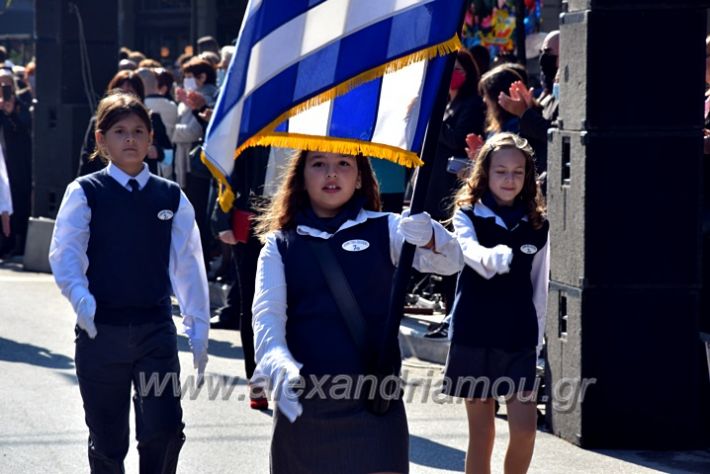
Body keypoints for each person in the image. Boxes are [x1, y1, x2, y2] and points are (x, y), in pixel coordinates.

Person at [252, 150, 463, 473]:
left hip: (375, 399)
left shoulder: (389, 228)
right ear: (301, 177)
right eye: (319, 164)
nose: (331, 174)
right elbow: (267, 314)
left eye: (344, 164)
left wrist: (434, 235)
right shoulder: (279, 244)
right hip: (305, 400)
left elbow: (452, 262)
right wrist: (276, 359)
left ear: (360, 176)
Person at [49, 91, 210, 473]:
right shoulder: (85, 192)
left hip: (155, 331)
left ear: (152, 138)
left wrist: (198, 327)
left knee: (165, 430)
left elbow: (188, 264)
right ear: (102, 140)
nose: (131, 139)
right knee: (108, 440)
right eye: (120, 131)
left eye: (140, 131)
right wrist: (82, 301)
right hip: (100, 332)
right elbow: (65, 254)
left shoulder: (170, 195)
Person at [442, 132, 549, 474]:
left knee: (525, 430)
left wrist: (539, 340)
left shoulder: (539, 225)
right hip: (474, 332)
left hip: (518, 336)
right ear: (485, 172)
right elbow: (469, 251)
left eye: (518, 172)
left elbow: (540, 287)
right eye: (501, 171)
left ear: (528, 176)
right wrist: (492, 257)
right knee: (482, 432)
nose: (509, 179)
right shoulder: (467, 214)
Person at [0, 69, 32, 257]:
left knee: (18, 202)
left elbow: (26, 127)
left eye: (7, 84)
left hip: (16, 163)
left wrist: (11, 113)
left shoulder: (21, 104)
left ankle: (17, 242)